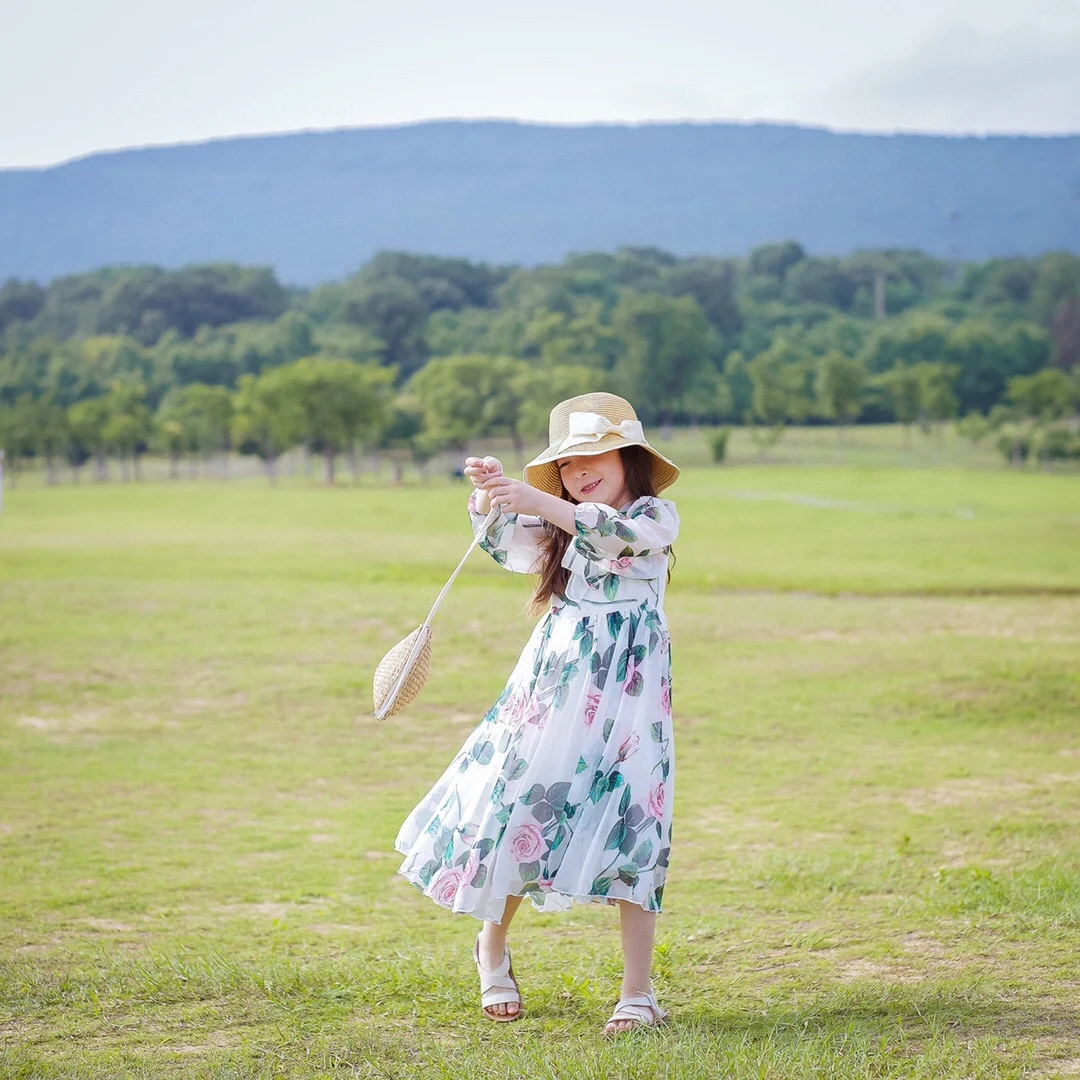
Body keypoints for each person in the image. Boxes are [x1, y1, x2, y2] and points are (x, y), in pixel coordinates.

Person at [394, 392, 680, 1036]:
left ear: (629, 459)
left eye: (594, 458)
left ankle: (638, 994)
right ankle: (491, 949)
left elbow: (622, 539)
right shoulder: (558, 526)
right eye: (568, 465)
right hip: (554, 687)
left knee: (636, 824)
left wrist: (546, 502)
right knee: (521, 808)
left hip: (631, 702)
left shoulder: (652, 517)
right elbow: (507, 546)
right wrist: (493, 494)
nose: (581, 473)